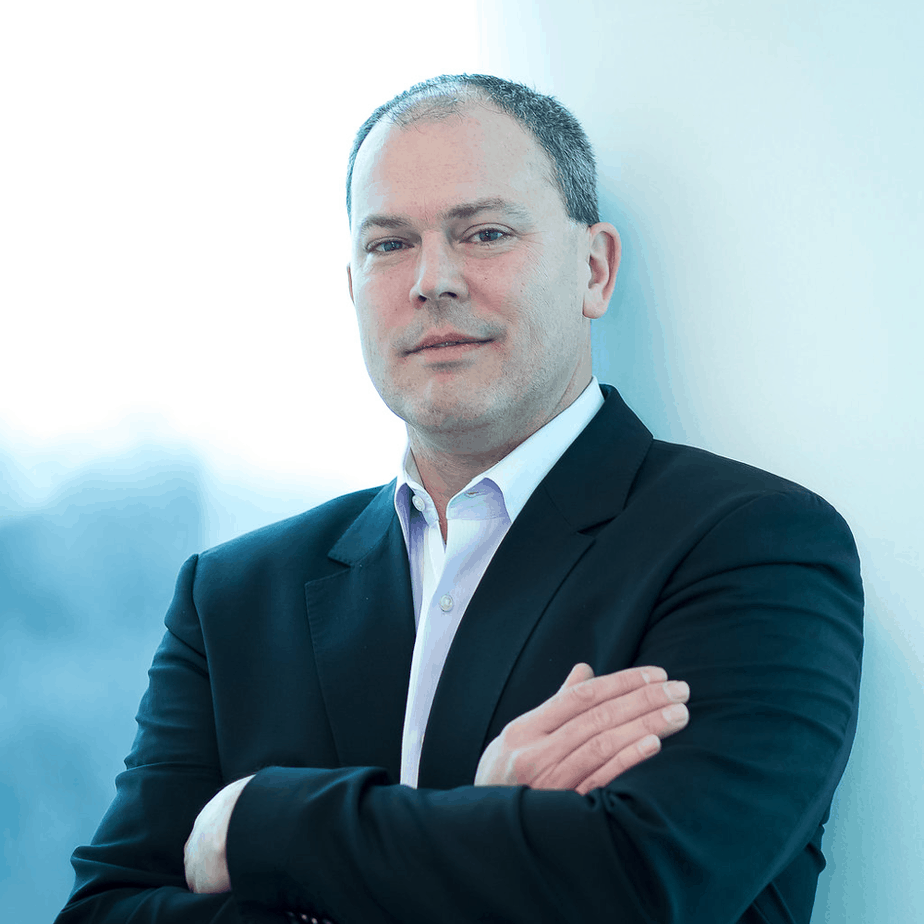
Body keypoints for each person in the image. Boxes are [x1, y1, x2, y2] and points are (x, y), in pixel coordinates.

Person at [56, 74, 863, 924]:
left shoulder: (752, 547)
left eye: (485, 233)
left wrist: (257, 822)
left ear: (594, 270)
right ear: (353, 289)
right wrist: (480, 827)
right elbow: (103, 914)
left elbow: (637, 885)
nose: (432, 279)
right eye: (389, 244)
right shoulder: (232, 597)